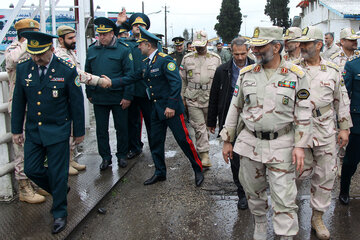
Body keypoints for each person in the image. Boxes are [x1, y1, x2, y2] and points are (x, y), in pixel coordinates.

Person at [221, 26, 312, 240]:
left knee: (284, 196)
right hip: (251, 144)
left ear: (277, 47)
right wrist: (227, 140)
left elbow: (304, 111)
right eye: (255, 47)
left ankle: (286, 235)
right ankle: (260, 223)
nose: (256, 51)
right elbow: (236, 108)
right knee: (253, 191)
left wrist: (300, 145)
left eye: (261, 47)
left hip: (282, 144)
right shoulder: (246, 75)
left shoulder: (297, 75)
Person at [11, 31, 85, 234]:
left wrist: (78, 132)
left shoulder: (67, 70)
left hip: (58, 130)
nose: (36, 58)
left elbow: (76, 103)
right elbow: (19, 101)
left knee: (58, 172)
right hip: (34, 130)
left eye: (40, 54)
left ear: (51, 49)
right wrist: (16, 129)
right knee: (32, 169)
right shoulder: (24, 68)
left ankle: (60, 212)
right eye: (33, 54)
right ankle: (58, 189)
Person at [293, 26, 351, 240]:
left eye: (306, 43)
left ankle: (317, 217)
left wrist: (344, 127)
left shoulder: (333, 70)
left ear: (318, 45)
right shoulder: (292, 69)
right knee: (295, 174)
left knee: (325, 175)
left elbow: (341, 99)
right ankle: (290, 211)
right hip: (300, 130)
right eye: (300, 43)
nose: (301, 47)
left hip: (326, 129)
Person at [137, 26, 204, 187]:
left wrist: (171, 106)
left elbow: (176, 83)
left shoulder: (165, 60)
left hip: (171, 110)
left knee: (183, 140)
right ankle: (160, 172)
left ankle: (198, 168)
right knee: (155, 142)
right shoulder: (147, 62)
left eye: (140, 44)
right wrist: (110, 82)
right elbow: (134, 77)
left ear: (148, 45)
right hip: (156, 110)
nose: (138, 47)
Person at [55, 25, 112, 176]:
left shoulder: (69, 53)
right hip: (62, 98)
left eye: (74, 37)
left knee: (72, 129)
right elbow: (76, 74)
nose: (74, 40)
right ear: (61, 40)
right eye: (70, 38)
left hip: (70, 96)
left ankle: (71, 158)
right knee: (65, 132)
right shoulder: (60, 55)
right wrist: (99, 81)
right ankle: (65, 163)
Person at [207, 37, 254, 210]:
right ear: (231, 52)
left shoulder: (257, 68)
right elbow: (214, 97)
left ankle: (253, 191)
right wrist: (212, 120)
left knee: (251, 158)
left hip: (251, 121)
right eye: (236, 54)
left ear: (248, 51)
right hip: (230, 120)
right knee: (235, 159)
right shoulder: (222, 71)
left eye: (243, 53)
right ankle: (241, 193)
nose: (240, 57)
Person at [5, 18, 46, 204]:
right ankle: (23, 187)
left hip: (35, 106)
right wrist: (28, 44)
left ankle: (35, 181)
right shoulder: (14, 49)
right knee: (21, 147)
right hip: (20, 107)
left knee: (36, 145)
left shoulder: (32, 52)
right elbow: (13, 60)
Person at [85, 17, 134, 170]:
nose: (102, 37)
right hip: (99, 98)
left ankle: (121, 155)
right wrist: (89, 93)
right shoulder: (92, 49)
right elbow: (88, 74)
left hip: (118, 97)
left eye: (105, 34)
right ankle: (105, 158)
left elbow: (130, 75)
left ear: (112, 33)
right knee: (101, 130)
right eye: (99, 34)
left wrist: (127, 96)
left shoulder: (124, 49)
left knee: (121, 128)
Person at [180, 31, 221, 168]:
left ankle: (203, 145)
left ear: (207, 43)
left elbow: (220, 81)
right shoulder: (187, 59)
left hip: (210, 97)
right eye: (196, 45)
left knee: (207, 126)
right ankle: (204, 154)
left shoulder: (215, 58)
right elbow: (183, 80)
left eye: (202, 45)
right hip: (192, 97)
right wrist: (182, 98)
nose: (199, 48)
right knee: (199, 126)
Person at [116, 10, 154, 160]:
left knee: (152, 123)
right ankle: (135, 147)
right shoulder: (125, 44)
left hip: (147, 91)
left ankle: (155, 148)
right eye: (135, 24)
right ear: (131, 27)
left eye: (141, 25)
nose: (138, 27)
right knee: (133, 122)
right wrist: (119, 23)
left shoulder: (152, 43)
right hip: (132, 90)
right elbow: (111, 38)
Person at [339, 54, 360, 206]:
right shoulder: (353, 65)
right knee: (351, 161)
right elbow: (344, 96)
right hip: (358, 122)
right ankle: (344, 189)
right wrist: (343, 125)